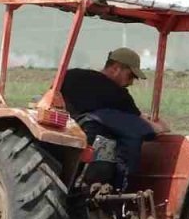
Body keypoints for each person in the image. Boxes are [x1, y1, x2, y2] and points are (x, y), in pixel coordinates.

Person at [60, 48, 166, 186]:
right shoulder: (118, 95)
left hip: (63, 137)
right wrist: (162, 126)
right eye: (130, 76)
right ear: (116, 68)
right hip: (92, 147)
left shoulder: (70, 76)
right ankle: (119, 187)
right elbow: (149, 128)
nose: (131, 83)